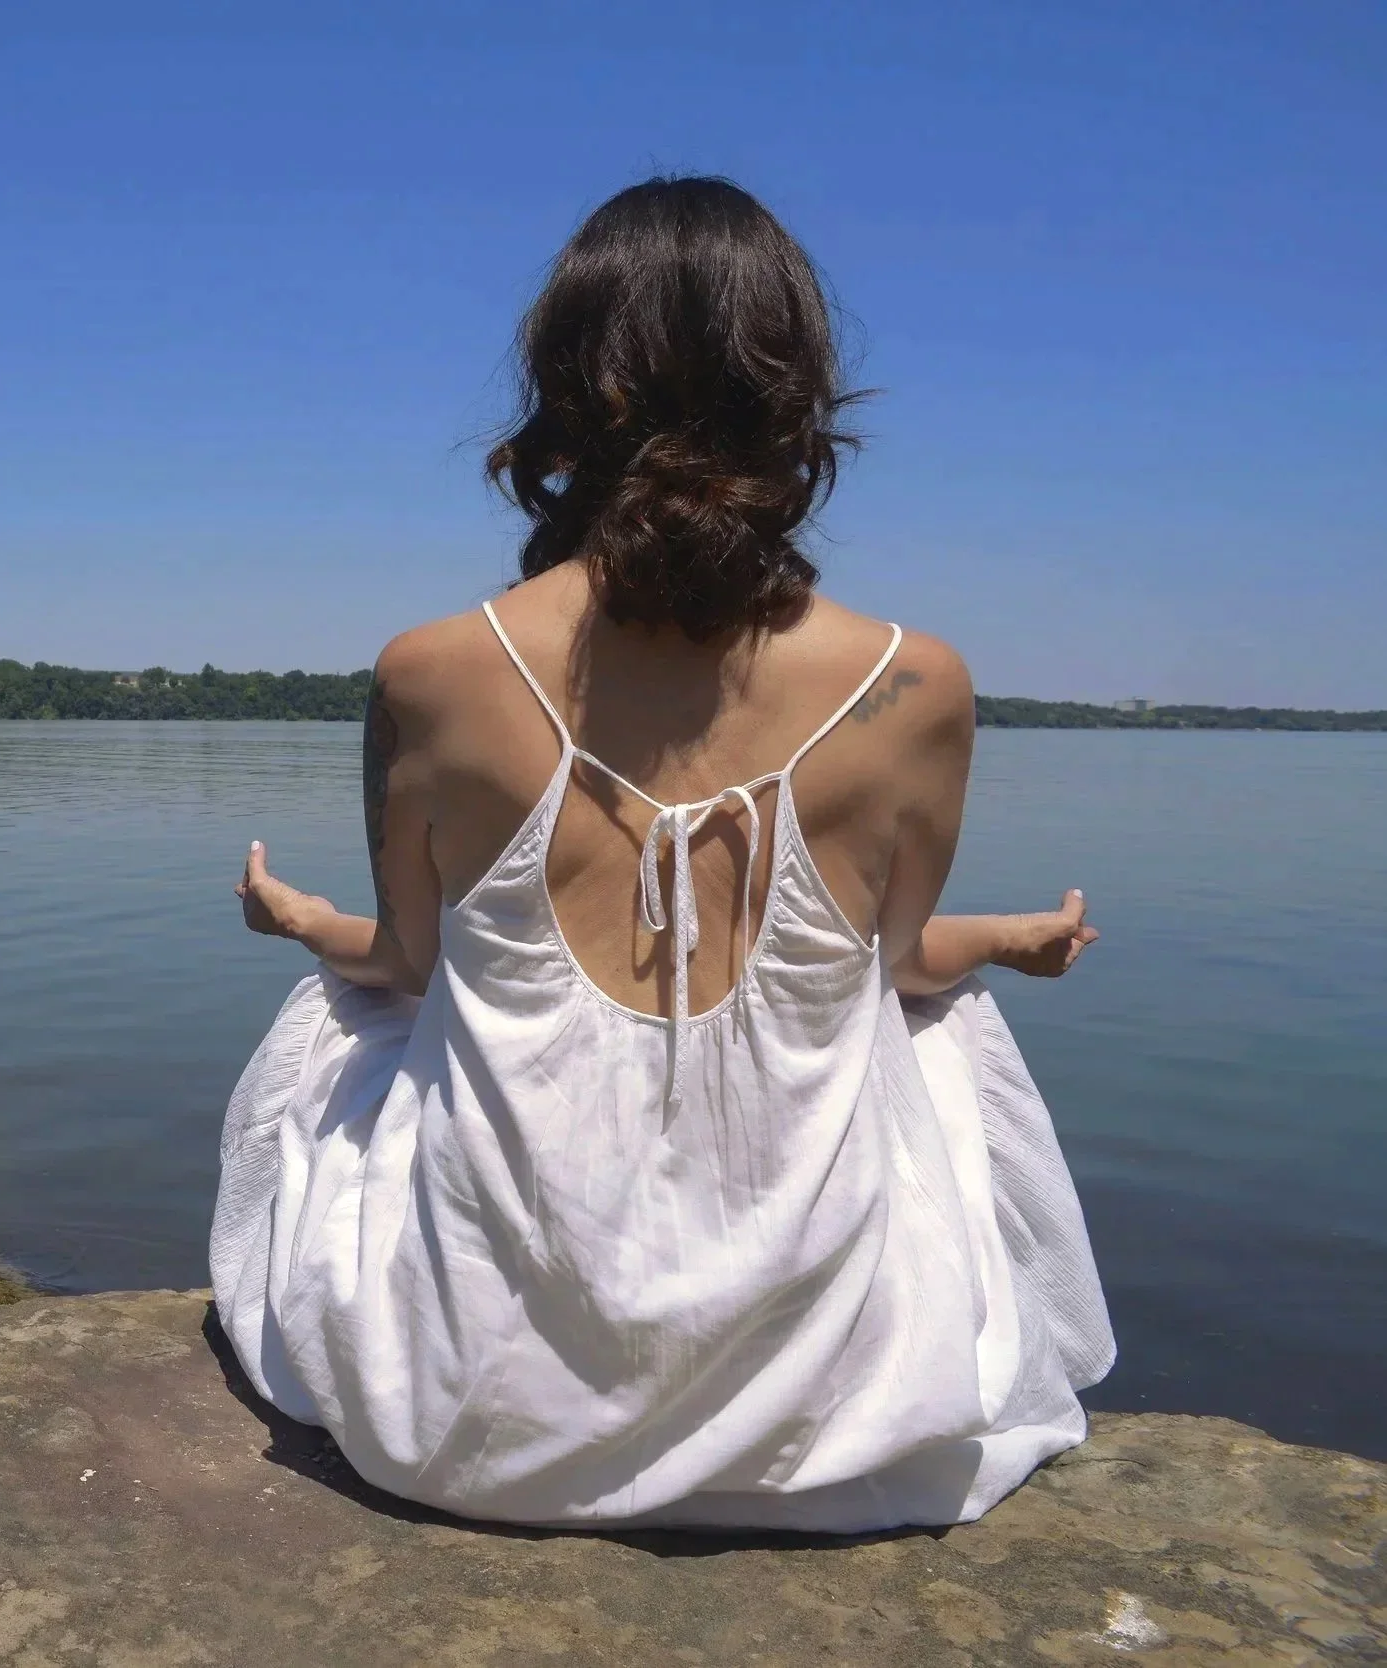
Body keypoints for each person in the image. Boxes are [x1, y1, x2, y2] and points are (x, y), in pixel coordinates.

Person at [212, 176, 1114, 1533]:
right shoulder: (916, 686)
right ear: (795, 390)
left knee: (333, 1016)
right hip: (843, 1437)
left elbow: (400, 966)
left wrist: (300, 921)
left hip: (465, 1426)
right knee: (941, 1025)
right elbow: (897, 971)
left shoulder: (433, 671)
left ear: (569, 387)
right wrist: (1003, 943)